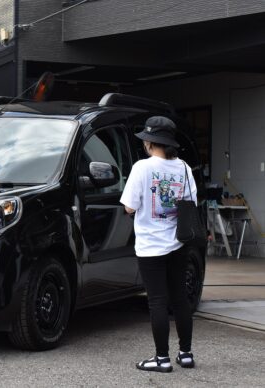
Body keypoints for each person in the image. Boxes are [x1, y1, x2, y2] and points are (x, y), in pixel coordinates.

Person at [120, 116, 196, 372]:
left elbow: (130, 206)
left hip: (151, 245)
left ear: (150, 142)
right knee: (181, 299)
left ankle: (161, 359)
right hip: (179, 243)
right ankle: (185, 354)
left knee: (157, 301)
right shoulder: (184, 168)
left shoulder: (142, 168)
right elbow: (190, 202)